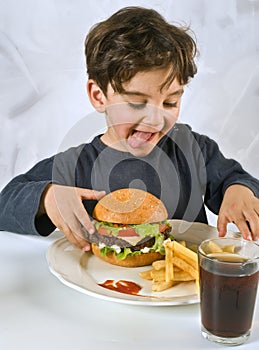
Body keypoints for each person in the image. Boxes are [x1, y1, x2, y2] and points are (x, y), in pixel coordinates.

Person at [0, 6, 258, 251]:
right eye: (136, 103)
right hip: (106, 287)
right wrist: (47, 197)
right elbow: (6, 202)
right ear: (99, 96)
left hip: (186, 291)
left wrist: (239, 190)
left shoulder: (192, 148)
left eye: (170, 102)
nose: (156, 121)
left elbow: (235, 178)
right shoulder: (76, 165)